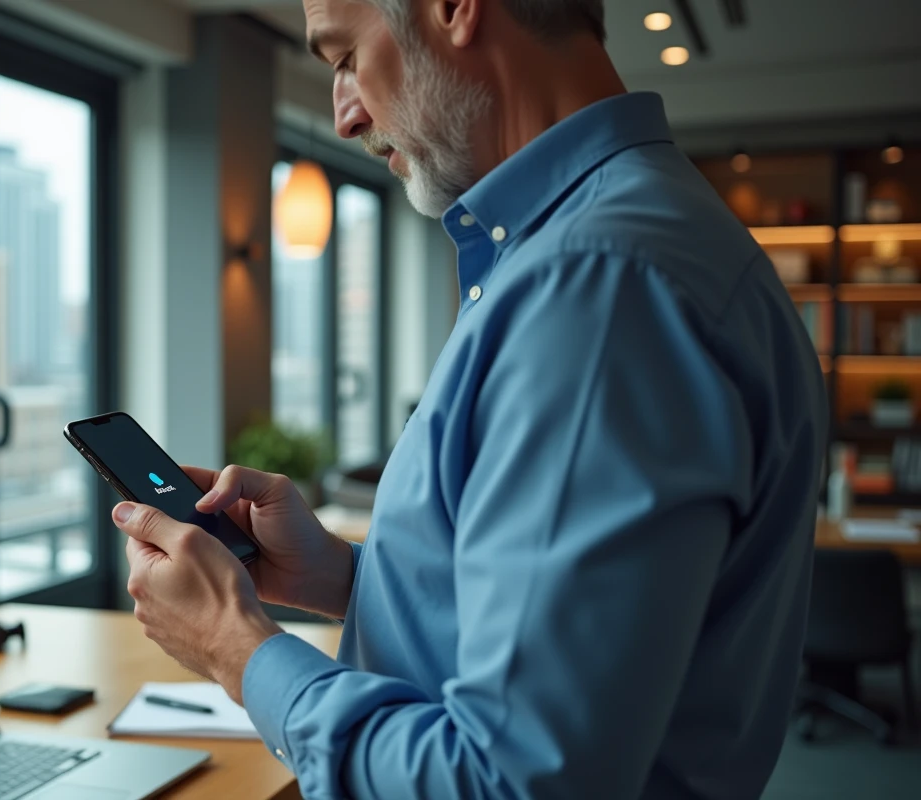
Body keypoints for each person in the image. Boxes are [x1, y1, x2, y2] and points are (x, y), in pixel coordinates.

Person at [112, 0, 828, 797]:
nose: (345, 115)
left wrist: (237, 650)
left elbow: (508, 781)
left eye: (345, 59)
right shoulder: (612, 250)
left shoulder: (598, 292)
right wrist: (341, 577)